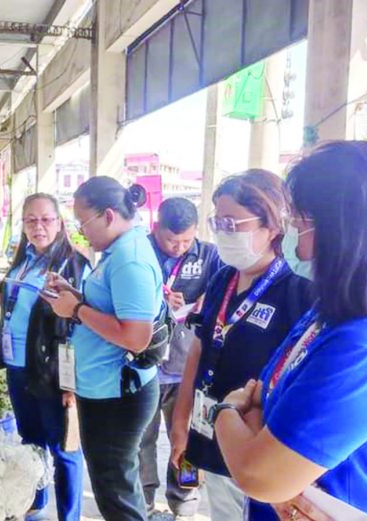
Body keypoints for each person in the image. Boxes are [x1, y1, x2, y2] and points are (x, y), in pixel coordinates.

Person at [214, 141, 367, 521]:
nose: (293, 243)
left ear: (344, 231)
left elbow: (258, 475)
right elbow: (265, 398)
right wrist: (259, 438)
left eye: (300, 225)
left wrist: (226, 411)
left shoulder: (366, 350)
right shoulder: (331, 313)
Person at [170, 169, 312, 521]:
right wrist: (181, 418)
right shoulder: (224, 277)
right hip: (212, 429)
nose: (222, 233)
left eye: (233, 224)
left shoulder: (297, 290)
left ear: (273, 225)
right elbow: (201, 347)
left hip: (258, 443)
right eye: (217, 222)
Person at [44, 177, 163, 521]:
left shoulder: (130, 259)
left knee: (116, 493)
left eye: (83, 222)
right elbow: (113, 309)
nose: (81, 232)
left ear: (108, 215)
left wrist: (76, 310)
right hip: (105, 388)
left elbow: (136, 336)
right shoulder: (119, 251)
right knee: (113, 487)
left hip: (118, 393)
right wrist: (75, 296)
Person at [0, 193, 90, 521]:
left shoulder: (74, 264)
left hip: (53, 371)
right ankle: (36, 505)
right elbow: (6, 301)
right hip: (18, 367)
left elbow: (81, 325)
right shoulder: (24, 259)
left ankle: (69, 516)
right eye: (31, 220)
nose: (38, 226)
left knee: (64, 449)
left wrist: (72, 384)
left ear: (59, 223)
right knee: (30, 442)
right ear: (23, 224)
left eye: (46, 219)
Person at [139, 197, 220, 519]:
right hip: (144, 366)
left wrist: (204, 300)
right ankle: (143, 503)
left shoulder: (210, 256)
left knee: (187, 442)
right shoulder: (139, 252)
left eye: (186, 240)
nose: (179, 247)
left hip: (187, 367)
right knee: (141, 443)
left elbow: (224, 291)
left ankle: (184, 505)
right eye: (172, 240)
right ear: (156, 229)